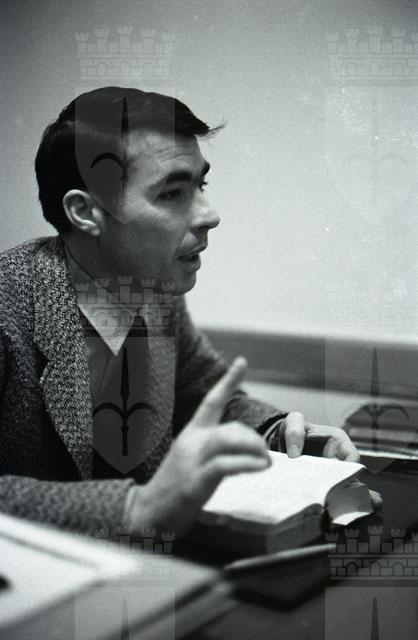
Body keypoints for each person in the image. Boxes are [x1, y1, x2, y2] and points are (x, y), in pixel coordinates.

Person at [0, 87, 375, 540]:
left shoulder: (154, 289)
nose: (209, 215)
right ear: (85, 211)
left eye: (201, 185)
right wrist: (135, 509)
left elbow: (203, 396)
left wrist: (278, 433)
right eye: (172, 193)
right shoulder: (8, 306)